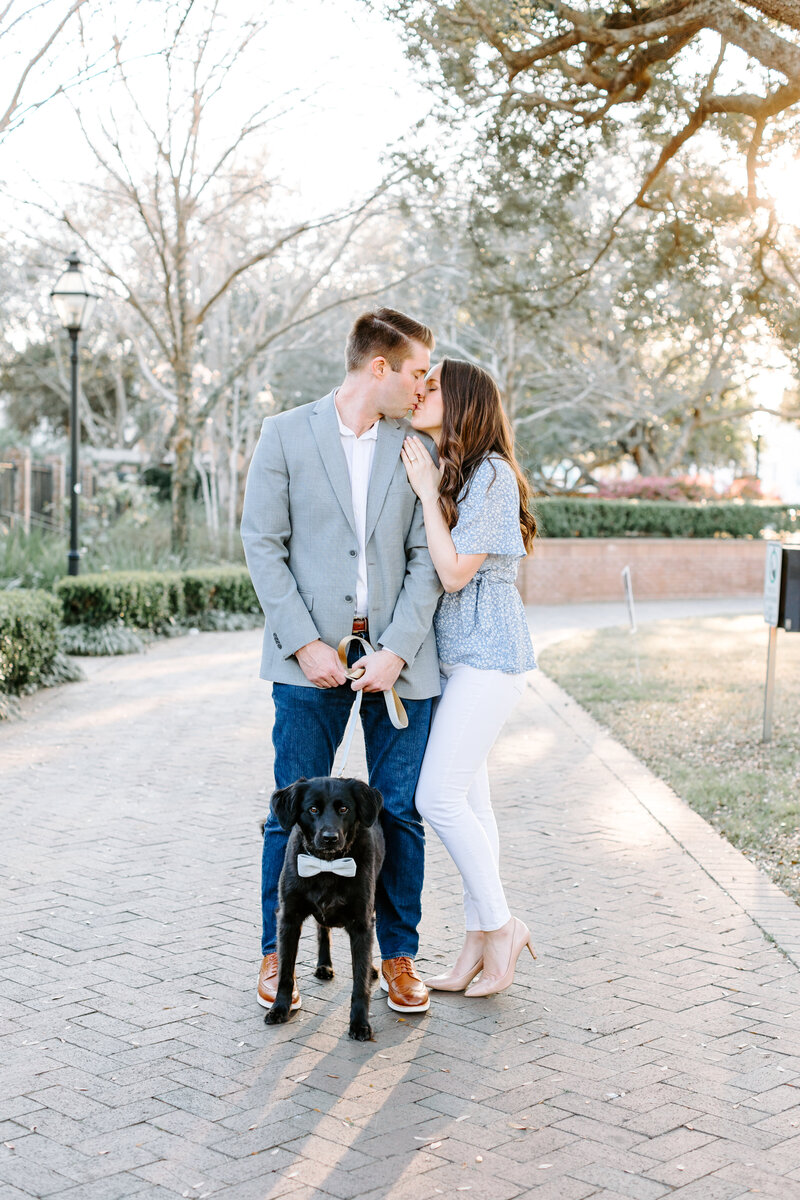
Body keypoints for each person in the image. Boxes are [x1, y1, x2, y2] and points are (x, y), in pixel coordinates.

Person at [241, 308, 443, 1016]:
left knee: (404, 813)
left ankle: (397, 954)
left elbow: (426, 560)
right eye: (418, 371)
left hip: (398, 662)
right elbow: (261, 543)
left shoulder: (416, 447)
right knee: (288, 814)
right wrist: (304, 642)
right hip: (307, 662)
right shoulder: (285, 434)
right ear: (379, 367)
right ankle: (278, 952)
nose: (426, 385)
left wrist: (396, 650)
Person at [400, 357, 537, 997]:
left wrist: (427, 494)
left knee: (438, 799)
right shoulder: (463, 470)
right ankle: (477, 941)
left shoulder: (493, 476)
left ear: (463, 403)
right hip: (459, 660)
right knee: (474, 807)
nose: (419, 393)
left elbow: (454, 574)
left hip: (489, 657)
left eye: (431, 388)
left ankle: (502, 925)